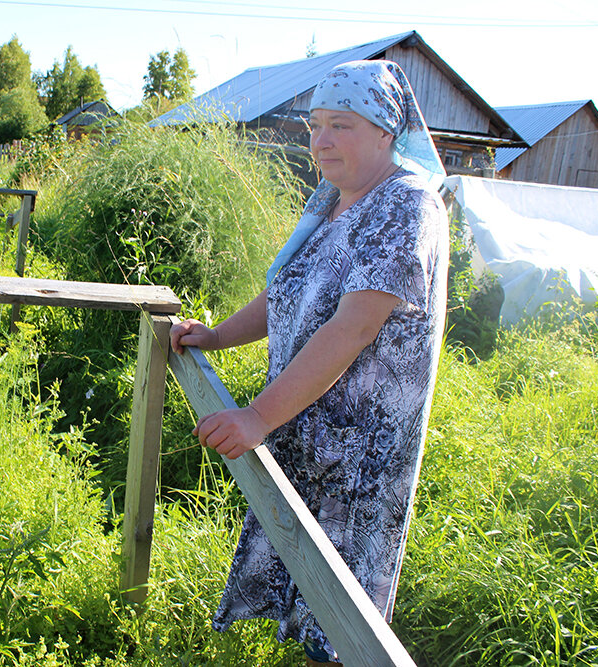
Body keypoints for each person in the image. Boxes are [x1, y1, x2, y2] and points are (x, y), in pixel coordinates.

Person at [169, 60, 448, 666]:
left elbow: (352, 327)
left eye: (340, 126)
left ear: (384, 132)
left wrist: (257, 418)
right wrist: (214, 337)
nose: (320, 141)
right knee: (307, 606)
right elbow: (287, 293)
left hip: (357, 459)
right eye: (315, 125)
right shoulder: (332, 203)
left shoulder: (406, 205)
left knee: (343, 629)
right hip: (308, 435)